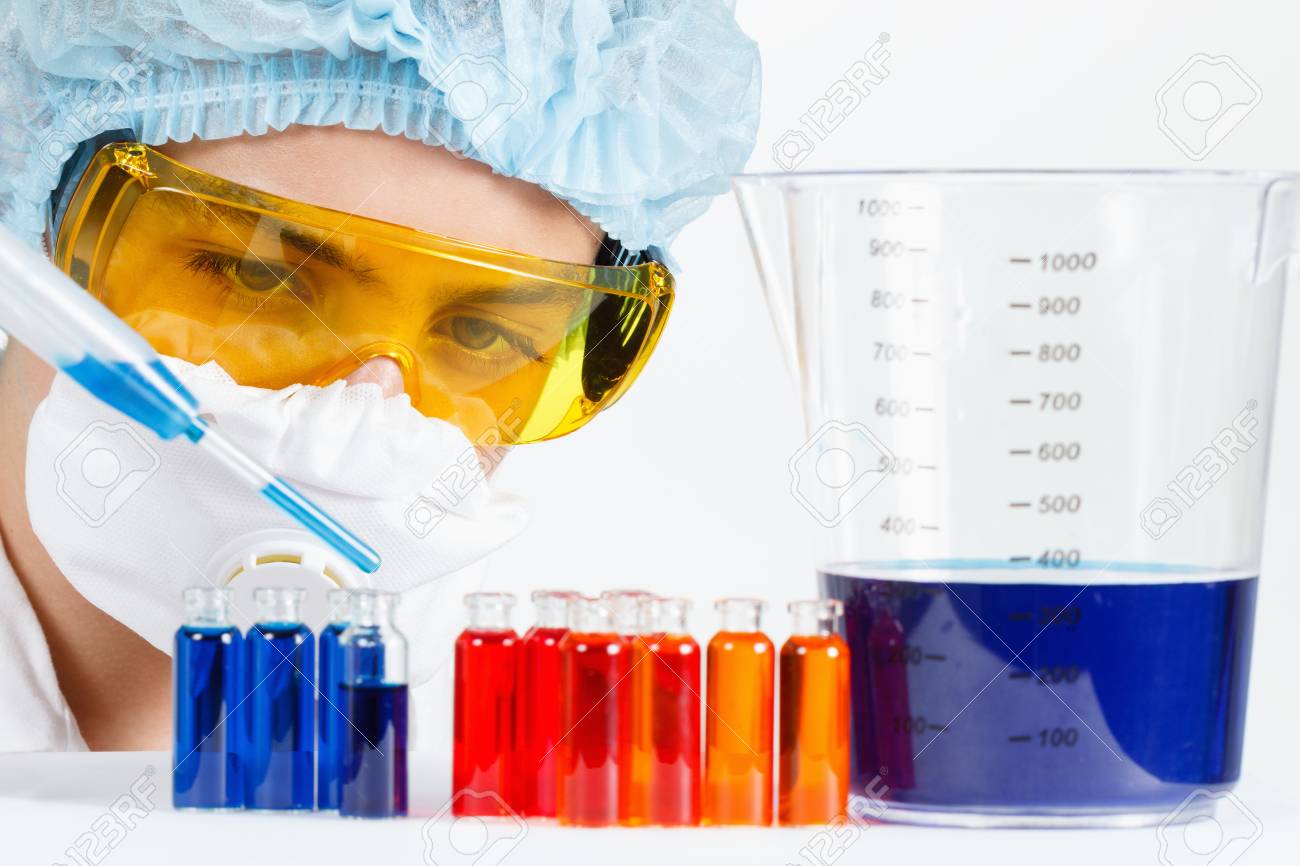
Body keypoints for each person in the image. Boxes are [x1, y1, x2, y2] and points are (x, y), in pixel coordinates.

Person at [0, 1, 760, 751]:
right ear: (34, 241)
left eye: (481, 332)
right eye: (262, 277)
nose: (364, 409)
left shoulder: (524, 731)